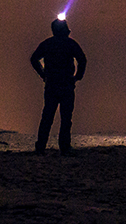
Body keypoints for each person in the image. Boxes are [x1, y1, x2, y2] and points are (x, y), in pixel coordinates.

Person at [30, 16, 87, 155]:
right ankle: (64, 147)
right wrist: (77, 77)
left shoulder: (48, 44)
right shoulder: (70, 44)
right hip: (66, 84)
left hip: (52, 84)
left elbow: (34, 59)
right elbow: (82, 59)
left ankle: (41, 146)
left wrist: (43, 74)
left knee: (48, 116)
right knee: (65, 117)